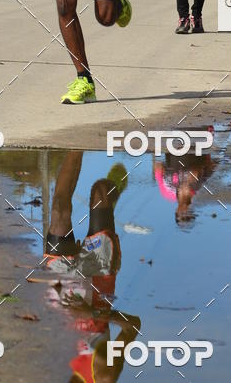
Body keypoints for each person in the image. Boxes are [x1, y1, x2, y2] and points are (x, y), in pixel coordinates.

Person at [44, 152, 141, 382]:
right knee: (100, 191)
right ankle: (113, 192)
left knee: (59, 210)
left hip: (63, 285)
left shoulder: (49, 370)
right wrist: (91, 313)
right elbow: (132, 326)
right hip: (98, 276)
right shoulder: (105, 375)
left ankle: (75, 144)